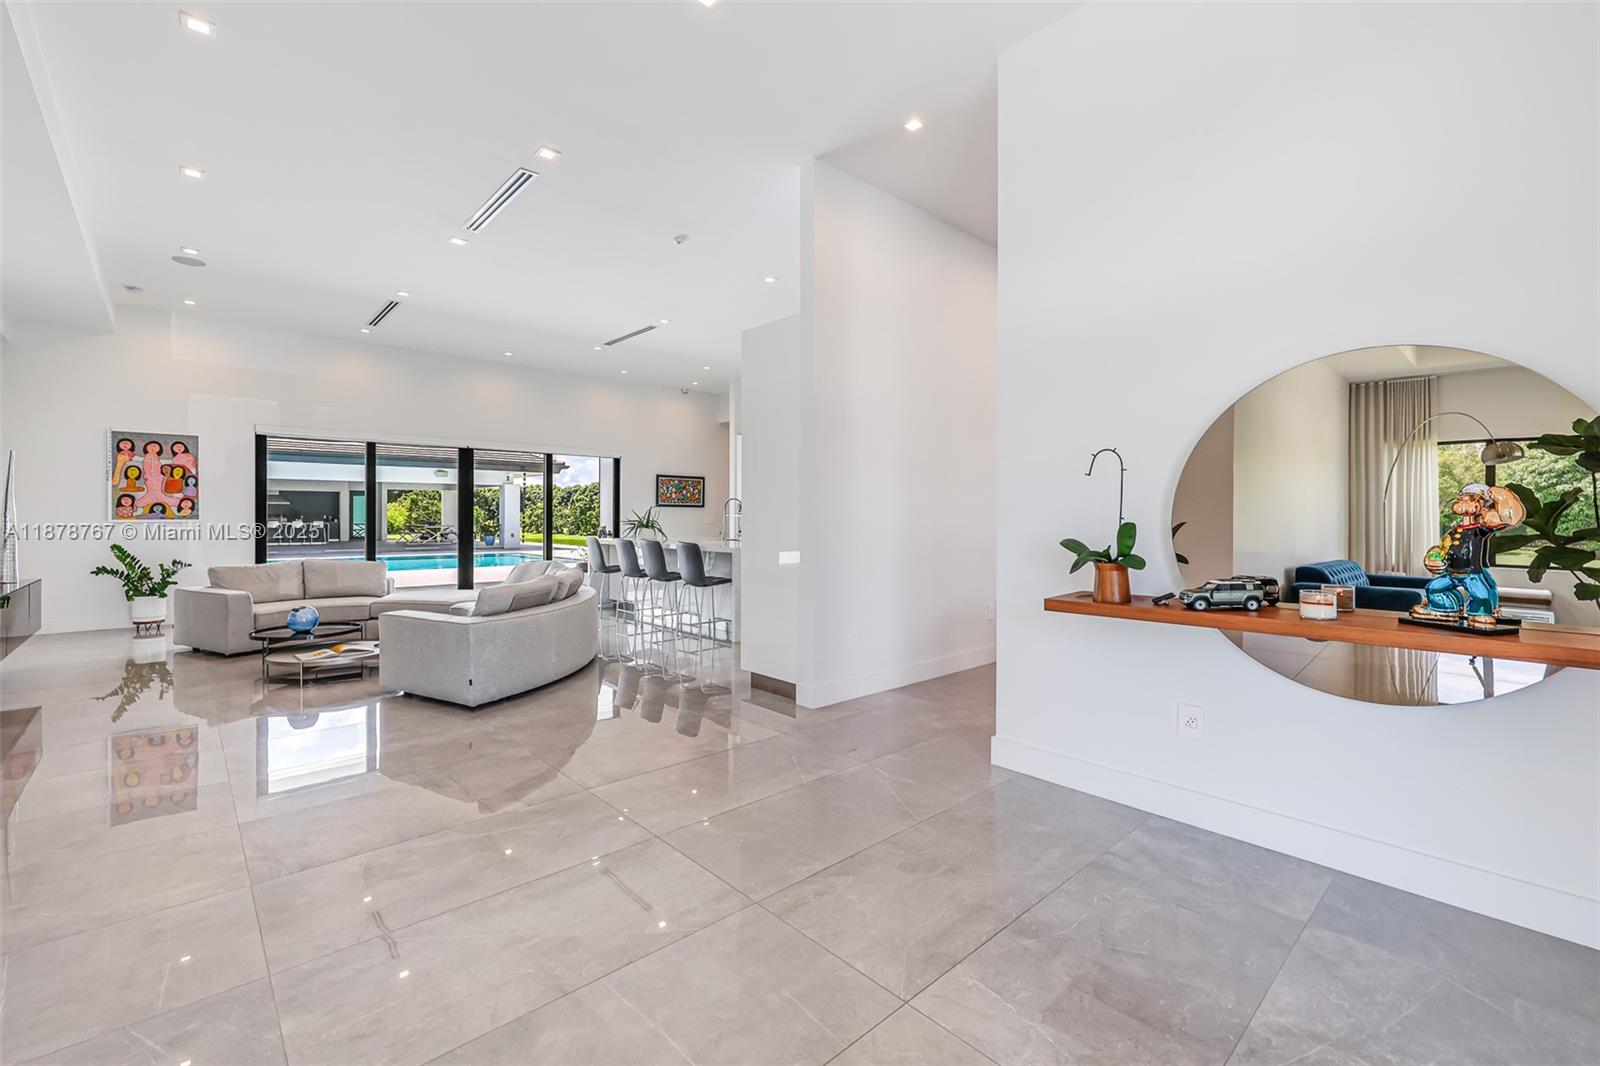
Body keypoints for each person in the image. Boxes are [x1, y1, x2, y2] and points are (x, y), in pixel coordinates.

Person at [1413, 484, 1527, 628]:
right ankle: (1447, 607)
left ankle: (1481, 613)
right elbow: (1442, 549)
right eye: (1462, 498)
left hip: (1472, 573)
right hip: (1451, 573)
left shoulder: (1481, 529)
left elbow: (1508, 519)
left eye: (1471, 499)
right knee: (1433, 588)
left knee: (1482, 595)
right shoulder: (1453, 531)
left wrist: (1503, 496)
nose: (1464, 502)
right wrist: (1433, 558)